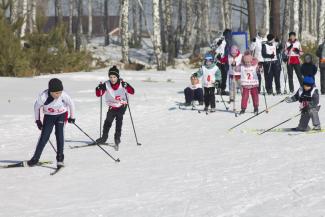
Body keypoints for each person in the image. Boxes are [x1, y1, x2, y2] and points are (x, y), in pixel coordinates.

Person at [27, 78, 75, 169]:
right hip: (49, 116)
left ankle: (60, 159)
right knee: (44, 137)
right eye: (56, 93)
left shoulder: (63, 95)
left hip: (61, 115)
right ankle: (35, 158)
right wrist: (38, 120)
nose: (58, 95)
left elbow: (71, 104)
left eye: (60, 92)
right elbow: (36, 107)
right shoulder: (43, 97)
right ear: (50, 91)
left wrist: (72, 117)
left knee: (59, 134)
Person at [95, 66, 134, 150]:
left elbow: (132, 91)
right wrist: (99, 88)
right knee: (108, 121)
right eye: (111, 77)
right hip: (112, 105)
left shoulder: (122, 83)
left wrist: (127, 86)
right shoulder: (106, 84)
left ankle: (117, 138)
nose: (112, 79)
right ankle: (104, 138)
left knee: (119, 120)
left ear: (118, 77)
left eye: (114, 77)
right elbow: (98, 94)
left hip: (122, 105)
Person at [250, 28, 267, 92]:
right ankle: (258, 89)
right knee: (258, 74)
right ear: (259, 33)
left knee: (267, 75)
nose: (263, 35)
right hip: (258, 60)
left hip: (266, 59)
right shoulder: (256, 39)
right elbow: (251, 48)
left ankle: (268, 88)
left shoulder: (266, 39)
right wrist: (253, 42)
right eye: (262, 34)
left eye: (264, 34)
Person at [226, 45, 242, 111]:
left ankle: (244, 96)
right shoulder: (229, 56)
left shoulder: (241, 56)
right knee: (232, 87)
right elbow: (227, 61)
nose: (234, 55)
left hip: (239, 74)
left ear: (237, 51)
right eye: (232, 54)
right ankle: (232, 98)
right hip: (232, 74)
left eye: (235, 53)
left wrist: (238, 66)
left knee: (242, 86)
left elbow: (243, 63)